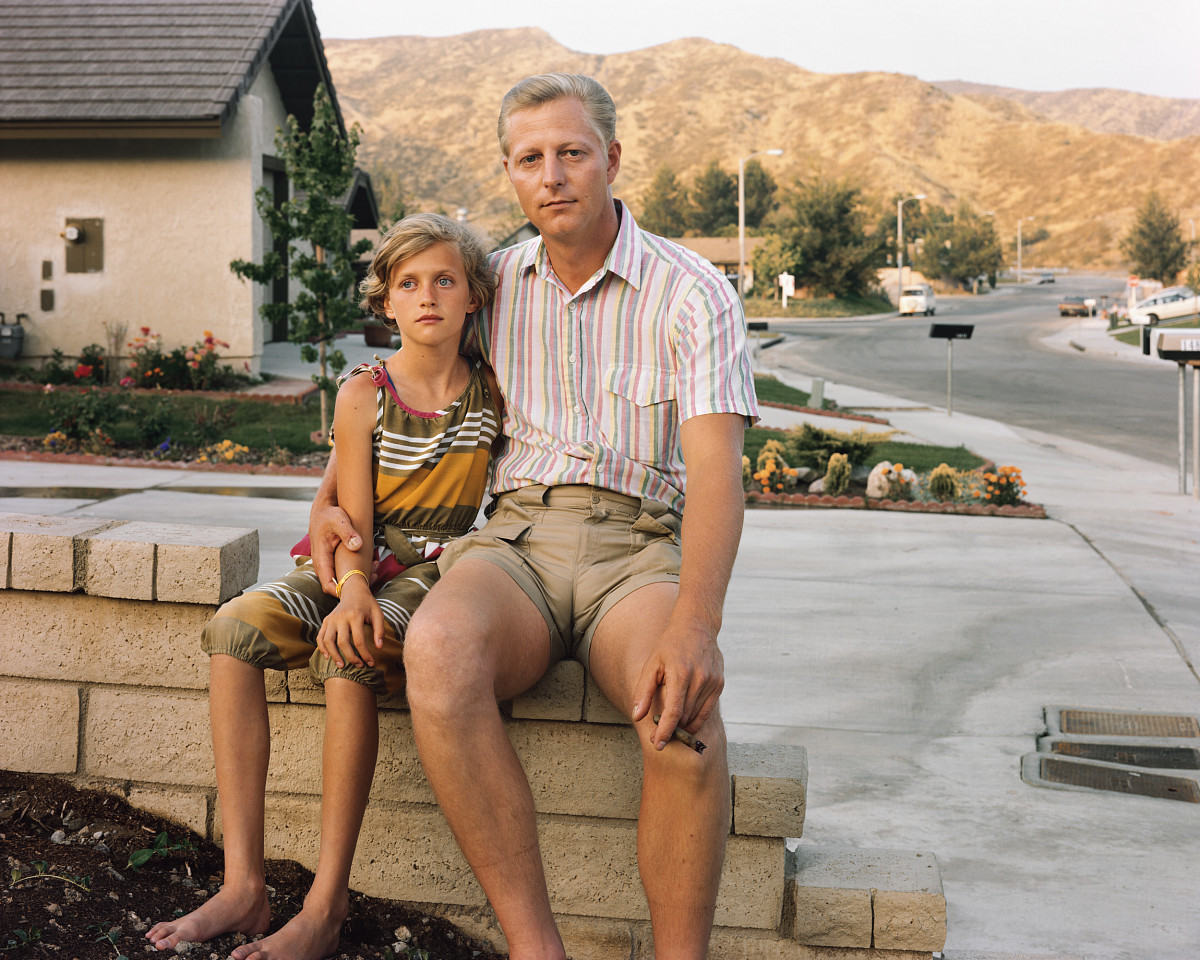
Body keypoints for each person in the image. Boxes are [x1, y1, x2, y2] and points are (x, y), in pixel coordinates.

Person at [310, 73, 758, 960]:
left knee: (685, 721)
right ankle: (534, 948)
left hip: (637, 552)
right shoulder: (490, 287)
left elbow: (716, 474)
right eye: (529, 159)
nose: (551, 175)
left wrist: (696, 625)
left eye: (571, 153)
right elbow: (394, 386)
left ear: (612, 161)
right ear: (509, 175)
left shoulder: (692, 292)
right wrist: (328, 502)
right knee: (437, 650)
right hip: (514, 541)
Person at [147, 213, 500, 960]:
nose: (428, 296)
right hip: (354, 561)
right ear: (387, 302)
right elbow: (350, 514)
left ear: (475, 297)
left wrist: (361, 604)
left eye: (446, 280)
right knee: (235, 630)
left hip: (435, 571)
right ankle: (244, 883)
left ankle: (325, 901)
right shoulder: (362, 392)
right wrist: (350, 587)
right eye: (408, 283)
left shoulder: (492, 394)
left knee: (347, 658)